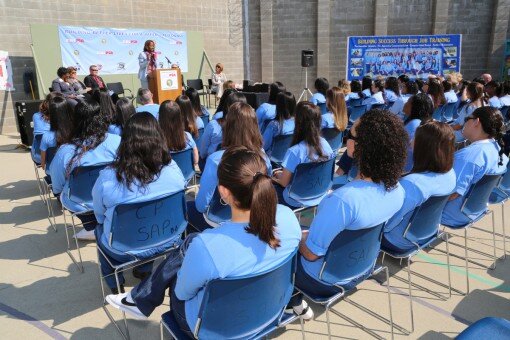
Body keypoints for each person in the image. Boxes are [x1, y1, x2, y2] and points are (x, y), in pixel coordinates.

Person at [105, 147, 301, 338]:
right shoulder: (289, 219)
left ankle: (140, 300)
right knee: (191, 244)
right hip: (269, 311)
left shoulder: (208, 246)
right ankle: (139, 299)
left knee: (183, 264)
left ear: (224, 192)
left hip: (212, 328)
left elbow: (182, 294)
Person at [292, 109, 406, 309]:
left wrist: (297, 236)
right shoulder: (398, 190)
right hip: (361, 266)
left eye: (349, 136)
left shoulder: (343, 201)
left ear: (362, 147)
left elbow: (310, 254)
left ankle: (292, 302)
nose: (346, 140)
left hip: (324, 278)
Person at [93, 112, 186, 294]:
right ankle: (144, 270)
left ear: (125, 140)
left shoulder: (108, 177)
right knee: (151, 219)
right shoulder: (173, 169)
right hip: (170, 239)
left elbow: (99, 213)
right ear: (159, 137)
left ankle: (115, 284)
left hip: (123, 249)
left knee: (99, 229)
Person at [49, 99, 121, 240]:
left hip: (80, 205)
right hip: (112, 198)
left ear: (75, 120)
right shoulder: (117, 141)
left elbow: (57, 186)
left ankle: (92, 227)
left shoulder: (65, 150)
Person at [193, 102, 272, 231]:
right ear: (255, 127)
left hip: (217, 219)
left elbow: (201, 206)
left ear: (228, 128)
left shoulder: (216, 160)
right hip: (253, 215)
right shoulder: (263, 156)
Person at [382, 121, 456, 252]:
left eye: (415, 138)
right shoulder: (450, 173)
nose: (411, 141)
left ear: (425, 147)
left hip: (399, 240)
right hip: (427, 234)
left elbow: (389, 223)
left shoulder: (413, 184)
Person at [442, 107, 509, 227]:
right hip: (474, 211)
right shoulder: (498, 150)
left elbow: (452, 194)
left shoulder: (468, 156)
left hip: (452, 215)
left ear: (476, 122)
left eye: (467, 119)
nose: (464, 123)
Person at [272, 101, 335, 208]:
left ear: (298, 122)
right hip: (320, 194)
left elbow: (284, 183)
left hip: (295, 199)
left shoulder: (295, 151)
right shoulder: (326, 144)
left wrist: (274, 178)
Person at [198, 92, 247, 166]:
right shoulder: (249, 127)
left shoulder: (213, 125)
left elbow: (203, 152)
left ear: (227, 106)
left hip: (215, 164)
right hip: (242, 165)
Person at [159, 100, 199, 166]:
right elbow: (195, 155)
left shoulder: (158, 140)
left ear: (161, 118)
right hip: (187, 174)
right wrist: (195, 164)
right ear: (179, 117)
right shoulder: (187, 136)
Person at [40, 96, 73, 171]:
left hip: (52, 173)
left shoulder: (46, 136)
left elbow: (42, 164)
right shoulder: (75, 132)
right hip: (73, 171)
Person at [402, 93, 433, 172]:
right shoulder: (423, 122)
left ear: (415, 107)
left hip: (405, 168)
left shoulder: (414, 125)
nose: (405, 104)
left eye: (408, 102)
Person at [263, 91, 296, 156]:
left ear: (279, 106)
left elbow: (264, 146)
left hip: (273, 160)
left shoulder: (274, 125)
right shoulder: (298, 123)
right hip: (289, 157)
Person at [31, 93, 58, 164]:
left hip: (54, 154)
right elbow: (42, 138)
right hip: (43, 155)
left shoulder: (63, 115)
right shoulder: (37, 116)